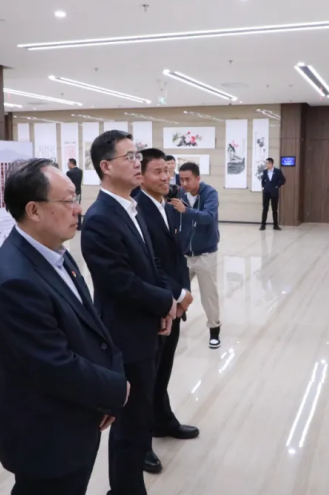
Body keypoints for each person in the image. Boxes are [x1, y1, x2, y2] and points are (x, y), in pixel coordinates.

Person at [0, 158, 128, 495]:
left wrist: (106, 393)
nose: (78, 209)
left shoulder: (55, 252)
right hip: (45, 437)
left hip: (78, 416)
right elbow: (52, 365)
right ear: (33, 210)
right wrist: (116, 389)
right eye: (68, 201)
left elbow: (92, 325)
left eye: (77, 199)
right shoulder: (14, 281)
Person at [81, 130, 177, 495]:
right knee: (129, 423)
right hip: (125, 334)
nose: (138, 162)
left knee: (139, 419)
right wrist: (164, 302)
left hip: (146, 326)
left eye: (138, 156)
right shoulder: (100, 217)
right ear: (106, 167)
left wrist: (165, 302)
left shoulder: (130, 207)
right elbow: (119, 282)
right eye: (130, 157)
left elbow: (152, 265)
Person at [134, 148, 200, 474]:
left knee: (164, 368)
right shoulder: (137, 208)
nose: (165, 178)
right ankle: (141, 441)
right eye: (157, 172)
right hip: (154, 303)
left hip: (173, 302)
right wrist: (176, 294)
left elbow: (178, 255)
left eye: (167, 171)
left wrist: (183, 293)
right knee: (146, 375)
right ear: (141, 175)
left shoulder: (168, 205)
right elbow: (150, 264)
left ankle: (162, 419)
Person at [171, 162, 222, 348]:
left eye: (188, 179)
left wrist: (186, 210)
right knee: (176, 291)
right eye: (181, 179)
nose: (184, 183)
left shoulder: (210, 193)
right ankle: (173, 326)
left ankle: (214, 330)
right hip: (184, 255)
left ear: (198, 178)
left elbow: (208, 217)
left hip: (205, 254)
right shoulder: (179, 194)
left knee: (209, 295)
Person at [260, 157, 286, 230]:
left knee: (274, 209)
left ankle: (275, 225)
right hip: (266, 192)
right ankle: (263, 225)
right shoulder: (265, 172)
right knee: (265, 209)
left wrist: (277, 186)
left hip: (274, 192)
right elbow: (263, 181)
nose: (266, 165)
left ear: (271, 164)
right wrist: (263, 187)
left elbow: (283, 180)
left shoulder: (277, 171)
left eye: (267, 163)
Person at [67, 158, 84, 227]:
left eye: (68, 163)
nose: (68, 165)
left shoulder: (69, 173)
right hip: (78, 192)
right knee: (77, 207)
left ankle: (71, 223)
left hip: (72, 193)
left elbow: (68, 183)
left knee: (70, 208)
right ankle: (79, 224)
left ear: (71, 163)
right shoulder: (80, 171)